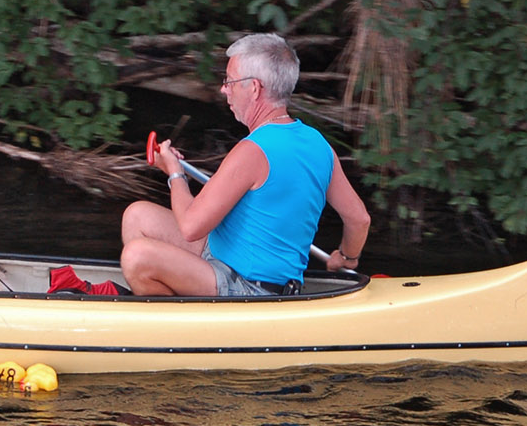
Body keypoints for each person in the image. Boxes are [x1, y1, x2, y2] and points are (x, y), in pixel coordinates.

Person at [119, 32, 370, 297]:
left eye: (229, 81)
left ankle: (176, 331)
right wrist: (347, 257)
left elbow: (191, 227)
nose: (223, 88)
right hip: (225, 255)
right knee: (136, 216)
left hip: (250, 288)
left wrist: (175, 174)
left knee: (137, 256)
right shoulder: (321, 146)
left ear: (254, 87)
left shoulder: (252, 151)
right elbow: (359, 219)